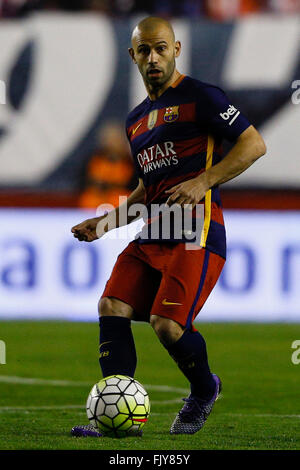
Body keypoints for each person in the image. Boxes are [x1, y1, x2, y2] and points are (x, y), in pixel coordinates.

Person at [71, 16, 266, 437]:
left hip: (196, 232)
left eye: (161, 48)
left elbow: (254, 144)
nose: (153, 57)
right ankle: (116, 421)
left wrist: (203, 181)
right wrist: (105, 223)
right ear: (133, 56)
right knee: (110, 307)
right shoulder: (136, 120)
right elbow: (147, 187)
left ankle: (203, 389)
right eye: (145, 50)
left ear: (176, 49)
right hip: (153, 232)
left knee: (167, 325)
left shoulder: (201, 97)